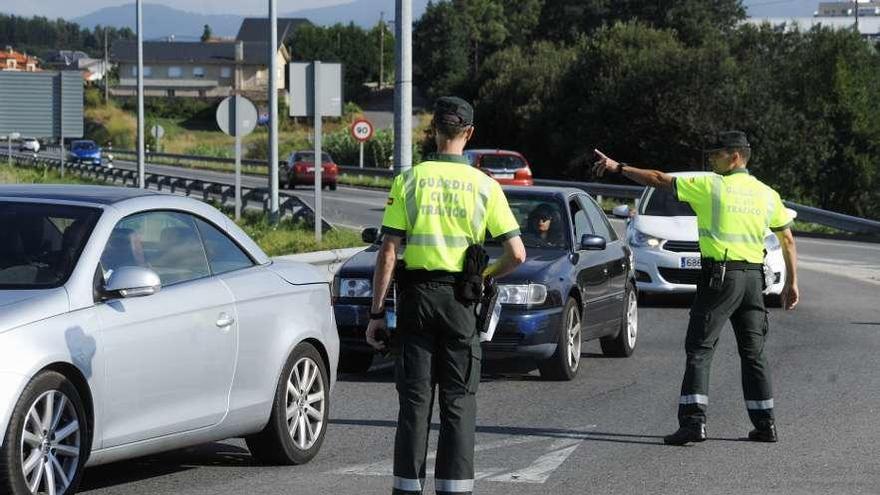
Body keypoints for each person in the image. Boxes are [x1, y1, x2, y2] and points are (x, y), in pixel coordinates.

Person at [592, 131, 799, 446]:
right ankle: (766, 424)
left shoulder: (710, 185)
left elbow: (659, 179)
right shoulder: (766, 193)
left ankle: (693, 422)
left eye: (716, 154)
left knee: (700, 349)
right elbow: (786, 238)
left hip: (721, 278)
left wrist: (618, 168)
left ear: (735, 156)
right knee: (753, 353)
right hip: (753, 280)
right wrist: (793, 283)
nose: (710, 160)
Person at [365, 96, 526, 495]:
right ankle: (455, 489)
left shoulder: (410, 180)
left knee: (415, 403)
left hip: (417, 300)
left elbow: (388, 251)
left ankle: (406, 488)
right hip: (461, 302)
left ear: (433, 130)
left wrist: (376, 312)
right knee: (458, 403)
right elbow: (517, 254)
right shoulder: (486, 186)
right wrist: (483, 277)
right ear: (469, 134)